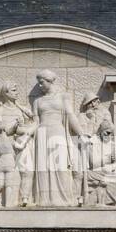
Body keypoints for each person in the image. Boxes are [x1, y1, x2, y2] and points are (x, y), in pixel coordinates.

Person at [29, 70, 82, 206]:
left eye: (42, 83)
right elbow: (35, 122)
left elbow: (70, 116)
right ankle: (44, 200)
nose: (40, 86)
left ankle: (64, 200)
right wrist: (26, 133)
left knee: (61, 166)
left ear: (50, 81)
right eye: (39, 84)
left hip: (58, 132)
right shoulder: (37, 101)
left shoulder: (64, 96)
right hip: (41, 134)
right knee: (43, 168)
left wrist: (81, 133)